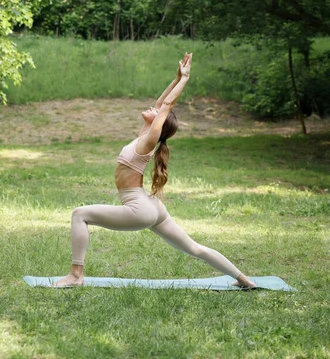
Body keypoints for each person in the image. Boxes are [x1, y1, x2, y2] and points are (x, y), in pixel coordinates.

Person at [53, 53, 256, 289]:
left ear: (160, 122)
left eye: (157, 112)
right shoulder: (145, 135)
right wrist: (176, 77)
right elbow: (162, 104)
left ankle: (76, 275)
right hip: (151, 207)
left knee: (80, 214)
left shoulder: (148, 141)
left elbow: (166, 106)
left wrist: (185, 80)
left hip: (138, 209)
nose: (153, 106)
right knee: (194, 248)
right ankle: (244, 280)